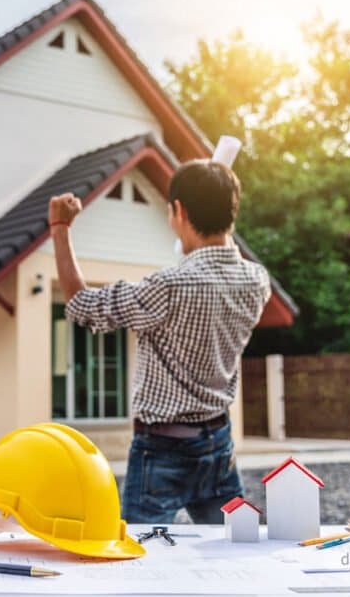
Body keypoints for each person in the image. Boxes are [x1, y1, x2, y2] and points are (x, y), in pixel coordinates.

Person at [48, 159, 270, 522]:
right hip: (219, 442)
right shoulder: (257, 281)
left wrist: (60, 228)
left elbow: (81, 306)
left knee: (141, 559)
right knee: (229, 546)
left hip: (162, 447)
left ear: (179, 211)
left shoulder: (168, 287)